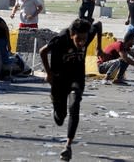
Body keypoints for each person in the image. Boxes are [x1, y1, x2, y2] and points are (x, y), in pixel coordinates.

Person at [39, 18, 103, 161]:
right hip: (59, 79)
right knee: (60, 118)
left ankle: (68, 146)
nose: (82, 43)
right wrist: (48, 73)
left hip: (77, 77)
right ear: (71, 34)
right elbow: (42, 51)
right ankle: (56, 107)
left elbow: (98, 25)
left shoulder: (87, 34)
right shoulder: (60, 39)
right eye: (78, 39)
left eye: (84, 39)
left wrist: (99, 47)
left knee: (74, 106)